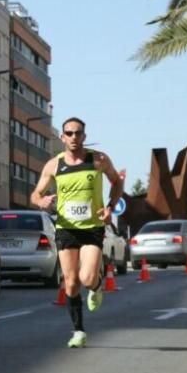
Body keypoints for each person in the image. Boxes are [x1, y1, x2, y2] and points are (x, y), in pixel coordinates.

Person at [30, 117, 123, 348]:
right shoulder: (54, 165)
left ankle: (96, 284)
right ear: (62, 137)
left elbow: (117, 182)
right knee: (70, 283)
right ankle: (79, 331)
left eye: (78, 133)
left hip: (92, 227)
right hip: (66, 228)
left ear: (84, 136)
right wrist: (41, 202)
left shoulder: (99, 159)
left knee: (86, 278)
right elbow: (35, 194)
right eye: (69, 133)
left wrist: (110, 207)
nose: (73, 137)